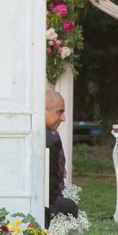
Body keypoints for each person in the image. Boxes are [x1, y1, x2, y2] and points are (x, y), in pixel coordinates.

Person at [45, 90, 78, 226]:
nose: (63, 118)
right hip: (44, 204)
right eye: (59, 112)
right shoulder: (50, 141)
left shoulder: (51, 135)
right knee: (71, 207)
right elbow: (51, 193)